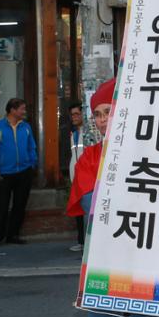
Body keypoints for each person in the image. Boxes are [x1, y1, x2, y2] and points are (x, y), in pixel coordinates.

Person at [66, 79, 159, 317]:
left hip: (143, 239)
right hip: (108, 242)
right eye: (97, 114)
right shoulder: (91, 156)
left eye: (107, 111)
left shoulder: (147, 150)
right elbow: (87, 200)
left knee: (146, 301)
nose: (101, 119)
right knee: (111, 301)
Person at [0, 98, 37, 248]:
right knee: (2, 205)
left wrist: (32, 162)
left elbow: (32, 147)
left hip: (24, 171)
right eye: (21, 109)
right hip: (5, 173)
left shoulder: (26, 127)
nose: (24, 112)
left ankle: (13, 235)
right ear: (12, 110)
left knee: (20, 205)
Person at [66, 103, 89, 252]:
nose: (74, 117)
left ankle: (88, 242)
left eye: (76, 114)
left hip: (87, 177)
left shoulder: (88, 133)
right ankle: (81, 241)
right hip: (76, 178)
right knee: (79, 212)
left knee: (87, 210)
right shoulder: (73, 133)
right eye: (72, 115)